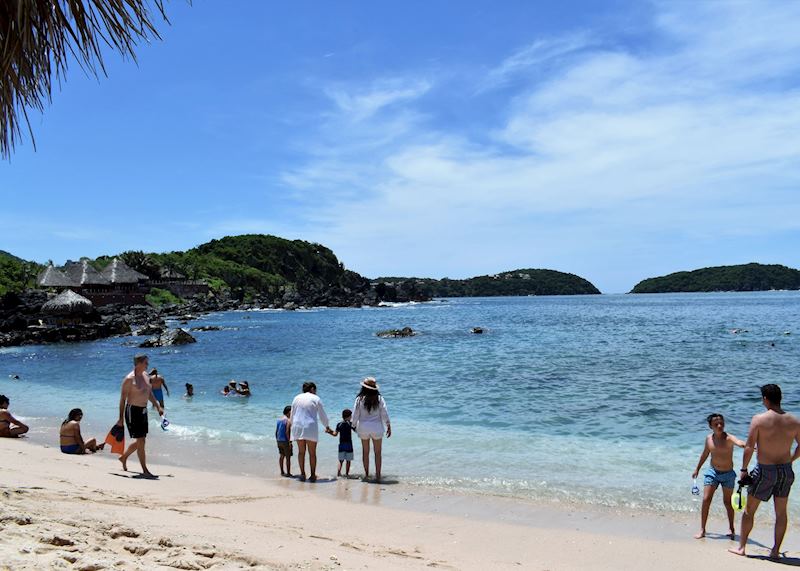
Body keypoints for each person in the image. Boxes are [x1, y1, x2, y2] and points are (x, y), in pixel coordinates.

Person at [730, 384, 800, 558]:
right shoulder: (794, 420)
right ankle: (775, 551)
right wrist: (790, 460)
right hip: (785, 470)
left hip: (765, 470)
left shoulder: (759, 419)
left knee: (749, 511)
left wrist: (744, 469)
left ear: (765, 399)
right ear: (780, 398)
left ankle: (742, 548)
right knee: (781, 513)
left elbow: (749, 447)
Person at [691, 413, 745, 539]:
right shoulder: (709, 439)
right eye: (716, 424)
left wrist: (748, 445)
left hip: (728, 474)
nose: (720, 426)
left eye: (721, 423)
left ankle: (731, 528)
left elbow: (739, 442)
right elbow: (705, 454)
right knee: (706, 499)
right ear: (711, 426)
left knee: (727, 502)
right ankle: (702, 529)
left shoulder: (729, 438)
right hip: (713, 472)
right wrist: (697, 469)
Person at [116, 354, 163, 478]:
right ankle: (145, 470)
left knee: (141, 440)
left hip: (143, 410)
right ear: (138, 363)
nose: (148, 365)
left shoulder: (146, 376)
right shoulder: (129, 379)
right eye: (146, 363)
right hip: (132, 411)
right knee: (141, 440)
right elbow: (122, 400)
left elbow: (149, 393)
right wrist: (120, 419)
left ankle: (124, 457)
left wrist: (158, 406)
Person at [290, 382, 333, 482]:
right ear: (312, 389)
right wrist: (327, 426)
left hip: (298, 425)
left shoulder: (296, 398)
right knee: (312, 453)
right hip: (310, 426)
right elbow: (322, 415)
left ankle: (302, 474)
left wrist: (292, 425)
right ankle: (313, 475)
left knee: (301, 452)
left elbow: (293, 413)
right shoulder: (316, 398)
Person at [351, 377, 391, 482]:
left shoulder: (359, 399)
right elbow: (384, 413)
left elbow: (355, 414)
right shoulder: (379, 398)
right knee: (378, 453)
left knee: (365, 452)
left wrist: (353, 425)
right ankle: (378, 476)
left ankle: (367, 474)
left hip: (363, 427)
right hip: (377, 427)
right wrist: (388, 425)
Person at [331, 409, 356, 478]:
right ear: (348, 416)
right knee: (348, 460)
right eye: (350, 416)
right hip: (349, 444)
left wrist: (329, 431)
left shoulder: (339, 424)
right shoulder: (350, 424)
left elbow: (335, 434)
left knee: (340, 460)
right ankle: (347, 474)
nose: (351, 417)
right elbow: (356, 430)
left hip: (341, 444)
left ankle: (338, 473)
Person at [276, 405, 292, 477]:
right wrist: (290, 442)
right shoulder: (288, 420)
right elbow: (287, 432)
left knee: (281, 456)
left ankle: (282, 472)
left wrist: (277, 440)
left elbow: (276, 431)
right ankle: (288, 473)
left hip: (279, 440)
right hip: (285, 441)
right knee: (288, 457)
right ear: (289, 412)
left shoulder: (279, 420)